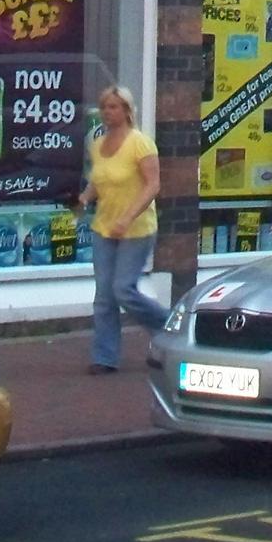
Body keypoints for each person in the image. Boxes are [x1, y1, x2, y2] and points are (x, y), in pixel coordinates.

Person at [82, 84, 162, 372]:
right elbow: (98, 179)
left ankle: (168, 329)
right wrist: (83, 198)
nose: (107, 112)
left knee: (123, 290)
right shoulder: (98, 144)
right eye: (104, 107)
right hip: (104, 228)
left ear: (127, 111)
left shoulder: (140, 143)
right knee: (104, 296)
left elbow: (153, 185)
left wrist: (128, 217)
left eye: (114, 107)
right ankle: (105, 358)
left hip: (136, 229)